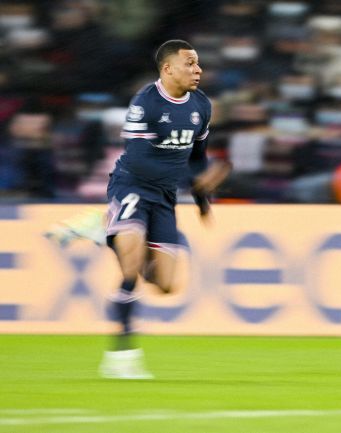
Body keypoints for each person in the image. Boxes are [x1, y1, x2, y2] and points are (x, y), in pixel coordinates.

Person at [86, 39, 228, 379]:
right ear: (168, 69)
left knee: (166, 285)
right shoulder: (146, 102)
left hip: (164, 197)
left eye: (198, 63)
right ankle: (122, 355)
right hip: (132, 188)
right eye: (190, 64)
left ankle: (112, 229)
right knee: (131, 267)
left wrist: (202, 200)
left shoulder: (201, 105)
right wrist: (189, 178)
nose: (198, 70)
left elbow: (197, 160)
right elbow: (138, 159)